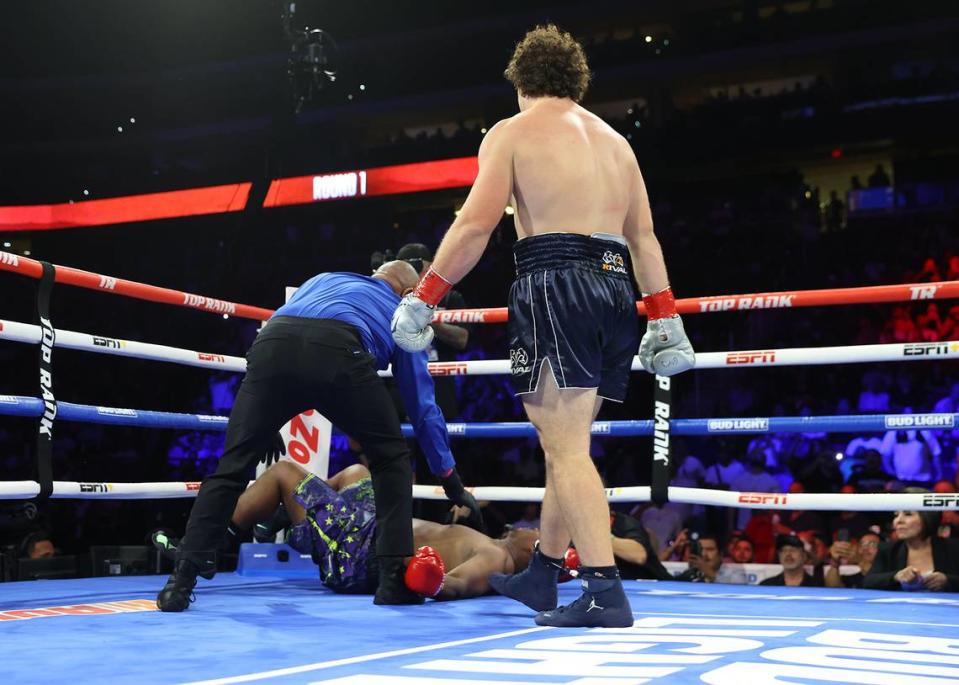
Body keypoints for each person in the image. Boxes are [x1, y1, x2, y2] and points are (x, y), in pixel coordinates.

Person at [390, 24, 694, 628]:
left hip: (557, 282)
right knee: (569, 442)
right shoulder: (616, 142)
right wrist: (665, 315)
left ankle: (605, 592)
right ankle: (543, 574)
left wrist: (425, 297)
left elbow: (476, 225)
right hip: (615, 290)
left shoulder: (513, 131)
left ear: (522, 84)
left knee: (564, 447)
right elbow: (643, 239)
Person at [156, 261, 483, 612]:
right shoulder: (404, 311)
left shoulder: (324, 279)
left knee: (232, 466)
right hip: (341, 354)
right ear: (407, 294)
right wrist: (450, 479)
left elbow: (272, 334)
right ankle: (392, 581)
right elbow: (421, 405)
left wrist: (261, 421)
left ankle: (180, 581)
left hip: (271, 350)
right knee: (391, 459)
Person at [160, 461, 537, 600]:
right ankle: (285, 518)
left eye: (532, 531)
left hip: (361, 553)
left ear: (531, 554)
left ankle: (210, 546)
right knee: (358, 472)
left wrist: (428, 578)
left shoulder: (496, 558)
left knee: (283, 472)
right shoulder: (488, 540)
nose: (526, 525)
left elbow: (453, 585)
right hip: (369, 528)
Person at [864, 508, 959, 592]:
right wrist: (896, 576)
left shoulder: (953, 547)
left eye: (908, 514)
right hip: (900, 610)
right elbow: (868, 581)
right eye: (896, 515)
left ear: (927, 517)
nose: (898, 521)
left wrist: (948, 580)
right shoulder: (888, 549)